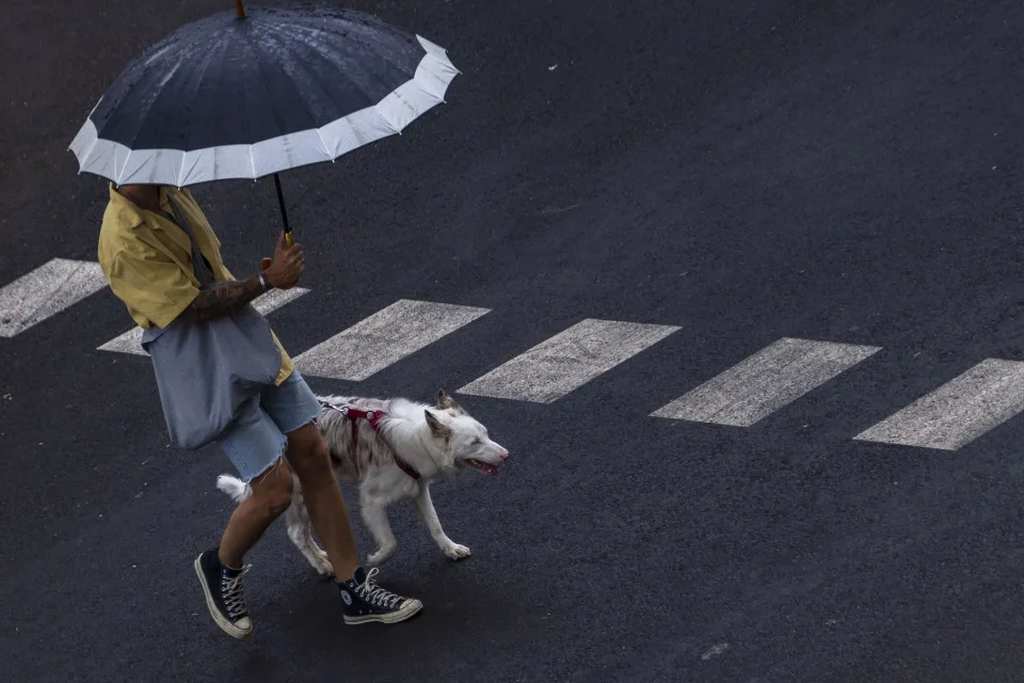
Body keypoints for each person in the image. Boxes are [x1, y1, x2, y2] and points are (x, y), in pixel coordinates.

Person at [97, 183, 422, 638]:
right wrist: (267, 282)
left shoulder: (171, 193)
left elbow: (210, 269)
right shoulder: (121, 240)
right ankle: (220, 564)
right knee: (274, 489)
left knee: (311, 450)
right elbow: (191, 308)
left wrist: (264, 273)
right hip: (206, 366)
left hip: (247, 340)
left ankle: (353, 589)